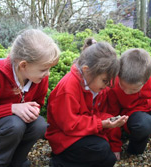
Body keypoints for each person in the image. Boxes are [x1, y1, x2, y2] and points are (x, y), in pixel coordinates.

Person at [0, 29, 60, 167]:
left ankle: (18, 161)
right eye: (43, 69)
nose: (48, 74)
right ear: (23, 65)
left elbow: (38, 103)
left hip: (12, 122)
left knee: (39, 124)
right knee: (14, 125)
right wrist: (13, 108)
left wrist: (32, 111)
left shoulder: (39, 79)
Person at [45, 38, 129, 167]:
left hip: (83, 133)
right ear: (86, 70)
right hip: (64, 139)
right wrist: (101, 124)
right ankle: (59, 162)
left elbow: (97, 113)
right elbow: (69, 125)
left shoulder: (94, 85)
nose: (107, 85)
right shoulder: (68, 89)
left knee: (109, 158)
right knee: (100, 149)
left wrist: (109, 120)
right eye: (104, 80)